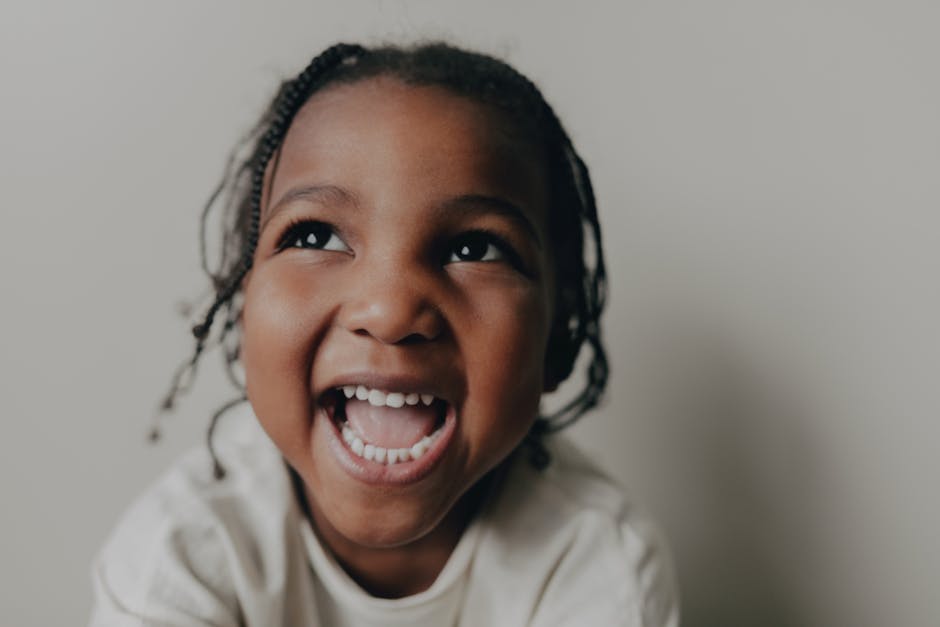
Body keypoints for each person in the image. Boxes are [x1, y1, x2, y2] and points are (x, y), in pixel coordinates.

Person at [89, 42, 679, 626]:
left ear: (559, 333)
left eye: (474, 248)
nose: (390, 311)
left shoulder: (597, 567)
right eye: (316, 236)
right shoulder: (180, 559)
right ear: (243, 308)